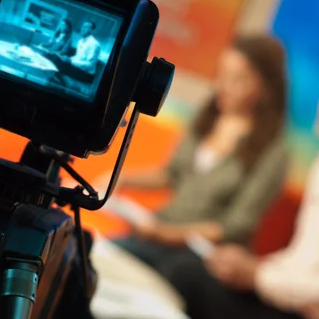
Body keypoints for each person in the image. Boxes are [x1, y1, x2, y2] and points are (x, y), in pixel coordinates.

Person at [165, 61, 319, 319]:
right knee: (189, 267)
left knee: (186, 276)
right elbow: (306, 260)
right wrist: (255, 268)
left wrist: (259, 277)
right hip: (290, 301)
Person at [110, 35, 290, 274]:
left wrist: (166, 234)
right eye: (222, 75)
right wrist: (121, 179)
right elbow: (172, 174)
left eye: (238, 79)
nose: (223, 86)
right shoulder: (207, 118)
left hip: (201, 257)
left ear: (266, 88)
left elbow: (233, 227)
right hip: (159, 231)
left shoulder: (274, 151)